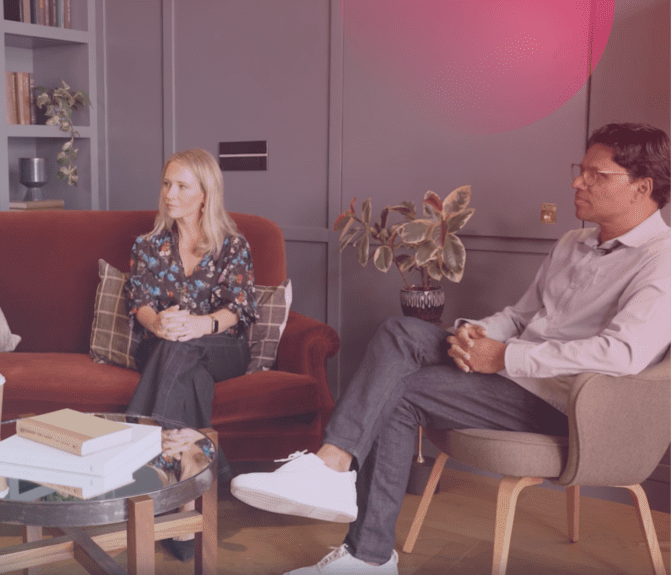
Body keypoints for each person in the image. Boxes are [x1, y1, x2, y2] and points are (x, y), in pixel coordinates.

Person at [229, 122, 671, 575]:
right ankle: (334, 468)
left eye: (596, 174)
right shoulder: (573, 244)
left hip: (569, 401)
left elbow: (622, 354)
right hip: (514, 374)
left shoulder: (661, 259)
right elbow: (521, 316)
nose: (578, 181)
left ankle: (367, 553)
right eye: (581, 169)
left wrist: (504, 357)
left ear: (641, 187)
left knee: (400, 392)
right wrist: (475, 333)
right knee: (399, 333)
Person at [124, 148, 258, 560]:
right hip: (164, 348)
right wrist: (158, 324)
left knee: (184, 347)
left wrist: (200, 324)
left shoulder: (231, 245)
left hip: (222, 347)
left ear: (205, 194)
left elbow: (239, 309)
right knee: (181, 360)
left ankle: (143, 447)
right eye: (167, 183)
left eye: (182, 186)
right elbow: (139, 303)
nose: (170, 193)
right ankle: (190, 479)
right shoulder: (148, 245)